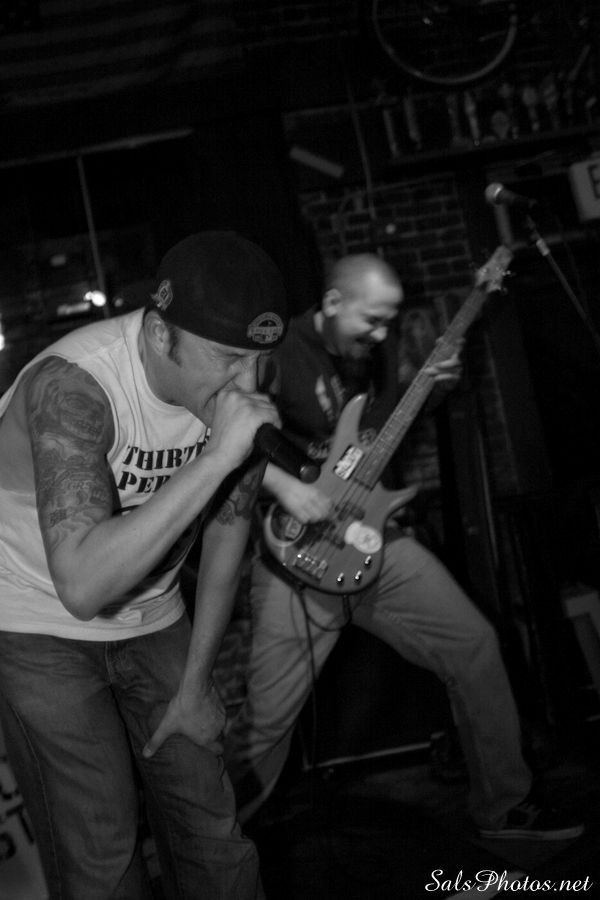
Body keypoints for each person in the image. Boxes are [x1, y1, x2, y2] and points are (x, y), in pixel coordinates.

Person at [224, 252, 584, 842]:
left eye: (389, 322)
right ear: (333, 302)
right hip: (299, 558)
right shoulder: (276, 356)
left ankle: (504, 808)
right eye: (372, 320)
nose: (381, 334)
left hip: (372, 537)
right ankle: (198, 845)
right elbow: (219, 438)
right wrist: (286, 487)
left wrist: (433, 390)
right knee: (265, 725)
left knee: (473, 644)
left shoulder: (369, 357)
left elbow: (378, 434)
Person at [0, 230, 290, 899]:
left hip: (155, 612)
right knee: (103, 850)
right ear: (161, 335)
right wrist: (217, 456)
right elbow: (81, 586)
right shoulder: (75, 386)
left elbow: (227, 531)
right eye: (227, 359)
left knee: (214, 829)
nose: (247, 385)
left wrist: (196, 682)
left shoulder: (242, 384)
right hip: (37, 617)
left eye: (260, 362)